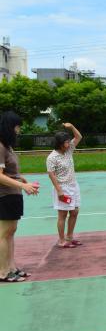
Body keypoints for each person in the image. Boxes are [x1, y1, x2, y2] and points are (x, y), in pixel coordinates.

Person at [0, 111, 39, 283]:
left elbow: (10, 172)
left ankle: (12, 267)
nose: (19, 129)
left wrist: (21, 179)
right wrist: (23, 185)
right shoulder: (0, 146)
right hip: (5, 195)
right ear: (9, 127)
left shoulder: (8, 147)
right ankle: (3, 272)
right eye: (17, 126)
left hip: (13, 195)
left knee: (11, 232)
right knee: (3, 233)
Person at [46, 122, 83, 248]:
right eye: (66, 142)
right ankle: (61, 240)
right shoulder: (52, 157)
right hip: (62, 187)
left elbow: (79, 137)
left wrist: (72, 127)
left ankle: (70, 237)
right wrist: (59, 191)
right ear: (59, 144)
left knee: (75, 211)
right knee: (63, 214)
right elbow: (51, 174)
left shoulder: (68, 151)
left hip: (73, 185)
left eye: (68, 142)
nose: (69, 144)